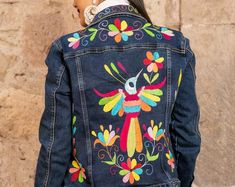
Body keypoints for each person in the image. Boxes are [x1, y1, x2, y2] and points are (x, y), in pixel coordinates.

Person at [34, 0, 201, 187]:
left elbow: (55, 146)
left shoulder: (67, 49)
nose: (74, 2)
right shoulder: (176, 45)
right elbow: (186, 136)